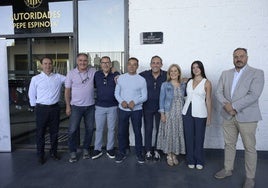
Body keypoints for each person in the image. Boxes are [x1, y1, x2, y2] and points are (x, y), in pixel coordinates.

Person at [214, 48, 264, 188]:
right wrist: (227, 106)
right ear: (233, 58)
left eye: (241, 56)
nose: (239, 59)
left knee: (249, 147)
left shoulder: (257, 73)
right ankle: (228, 169)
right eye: (236, 56)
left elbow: (254, 95)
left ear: (247, 57)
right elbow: (218, 92)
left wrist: (233, 106)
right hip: (228, 116)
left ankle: (250, 177)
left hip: (247, 116)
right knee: (229, 144)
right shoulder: (225, 74)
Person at [28, 57, 65, 164]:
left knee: (54, 133)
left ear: (52, 65)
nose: (48, 66)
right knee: (40, 133)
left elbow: (71, 79)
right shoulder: (35, 79)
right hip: (41, 109)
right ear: (41, 65)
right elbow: (31, 94)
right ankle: (40, 155)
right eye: (45, 64)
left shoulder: (59, 77)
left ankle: (53, 152)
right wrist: (35, 106)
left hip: (54, 109)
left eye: (49, 64)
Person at [114, 57, 147, 164]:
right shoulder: (121, 78)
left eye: (134, 64)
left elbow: (145, 96)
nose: (131, 66)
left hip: (136, 110)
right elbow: (116, 93)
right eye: (130, 64)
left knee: (138, 132)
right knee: (121, 132)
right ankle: (122, 152)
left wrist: (135, 102)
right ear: (127, 65)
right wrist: (121, 101)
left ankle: (139, 153)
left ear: (137, 66)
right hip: (123, 110)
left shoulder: (141, 80)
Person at [65, 53, 96, 163]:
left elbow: (105, 72)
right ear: (77, 61)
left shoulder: (93, 72)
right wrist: (68, 106)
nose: (83, 62)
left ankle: (86, 149)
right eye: (80, 60)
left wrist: (115, 72)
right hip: (76, 107)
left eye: (85, 60)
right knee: (72, 130)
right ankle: (72, 151)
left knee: (90, 129)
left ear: (88, 62)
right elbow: (67, 91)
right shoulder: (71, 73)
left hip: (90, 106)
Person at [182, 60, 212, 170]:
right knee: (188, 137)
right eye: (193, 67)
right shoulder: (189, 81)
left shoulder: (207, 82)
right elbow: (176, 78)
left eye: (197, 67)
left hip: (201, 112)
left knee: (199, 138)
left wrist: (209, 117)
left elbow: (208, 100)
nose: (195, 69)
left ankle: (199, 160)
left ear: (201, 68)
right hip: (187, 112)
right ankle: (190, 159)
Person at [157, 64, 186, 166]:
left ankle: (174, 154)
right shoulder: (165, 85)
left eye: (175, 71)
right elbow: (161, 100)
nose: (173, 73)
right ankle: (169, 155)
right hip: (169, 112)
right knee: (169, 133)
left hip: (180, 113)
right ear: (169, 73)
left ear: (179, 73)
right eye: (171, 71)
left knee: (177, 132)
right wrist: (162, 114)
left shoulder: (183, 85)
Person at [91, 56, 120, 160]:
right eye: (103, 63)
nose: (105, 64)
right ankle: (97, 149)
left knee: (111, 129)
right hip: (99, 106)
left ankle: (110, 148)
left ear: (111, 64)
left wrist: (116, 73)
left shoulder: (116, 75)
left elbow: (121, 84)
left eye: (107, 62)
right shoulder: (96, 75)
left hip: (113, 106)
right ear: (100, 64)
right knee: (99, 129)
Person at [140, 55, 167, 161]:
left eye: (158, 63)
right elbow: (132, 76)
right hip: (147, 107)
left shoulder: (166, 75)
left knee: (160, 130)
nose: (155, 65)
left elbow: (177, 77)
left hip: (161, 108)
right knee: (148, 129)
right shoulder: (144, 74)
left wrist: (187, 79)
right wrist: (117, 74)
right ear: (150, 64)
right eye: (154, 63)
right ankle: (148, 150)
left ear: (161, 64)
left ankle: (157, 150)